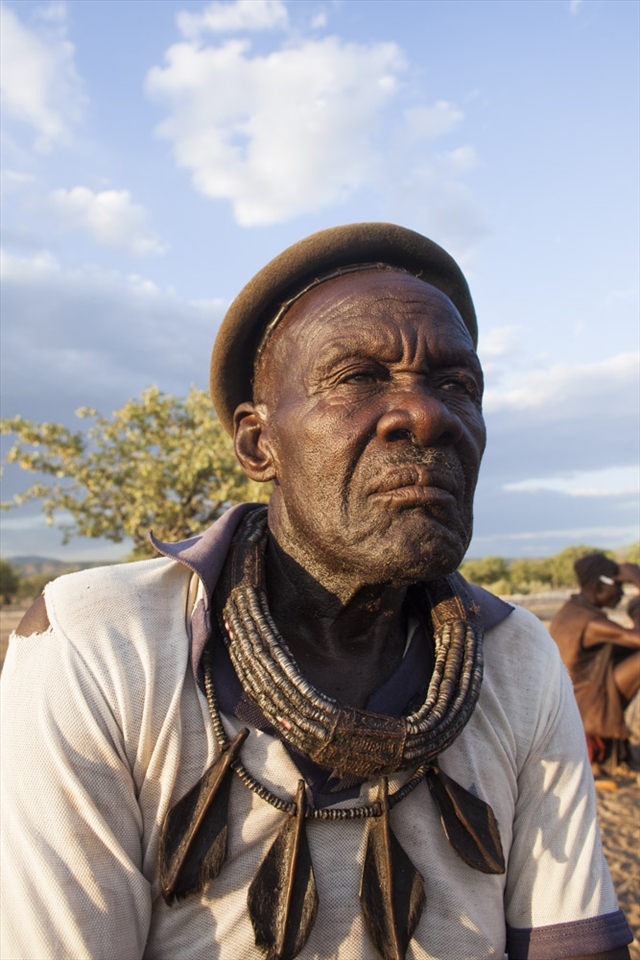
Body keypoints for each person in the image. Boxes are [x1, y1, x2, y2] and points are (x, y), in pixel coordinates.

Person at [1, 224, 633, 960]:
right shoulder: (101, 645)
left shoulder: (515, 657)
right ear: (257, 445)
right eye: (360, 378)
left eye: (458, 385)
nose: (427, 415)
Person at [548, 553, 640, 748]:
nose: (621, 593)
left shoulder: (572, 611)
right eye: (619, 586)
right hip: (586, 705)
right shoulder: (591, 623)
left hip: (575, 702)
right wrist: (637, 579)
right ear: (598, 587)